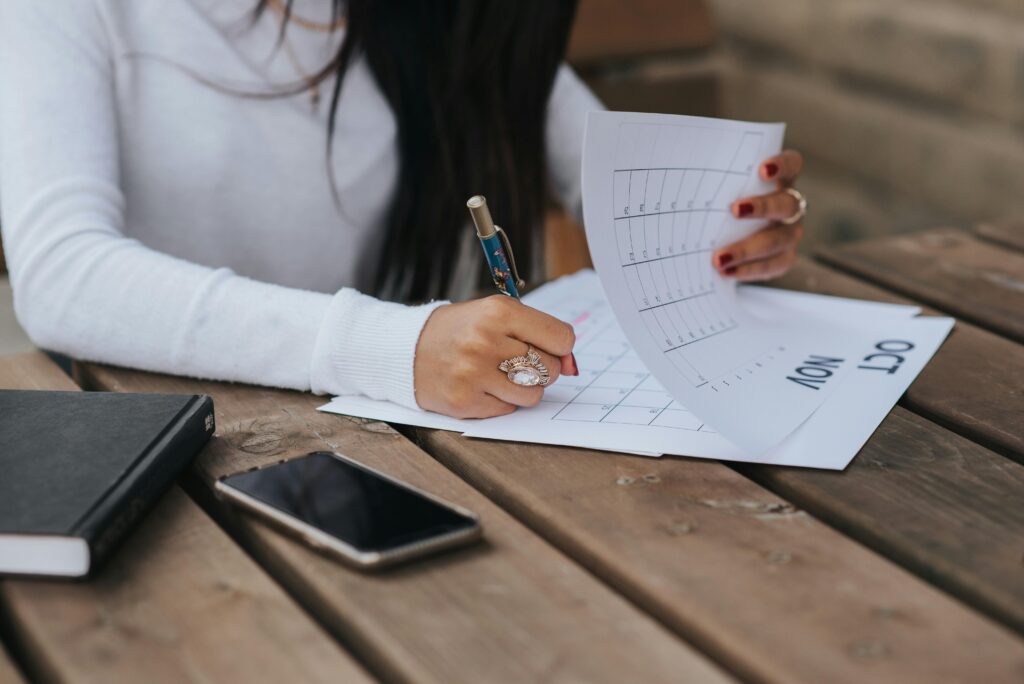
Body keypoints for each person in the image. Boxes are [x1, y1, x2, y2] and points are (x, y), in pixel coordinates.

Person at [0, 0, 807, 419]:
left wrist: (723, 227)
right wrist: (394, 344)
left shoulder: (453, 19)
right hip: (177, 463)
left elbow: (609, 189)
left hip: (436, 453)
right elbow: (63, 274)